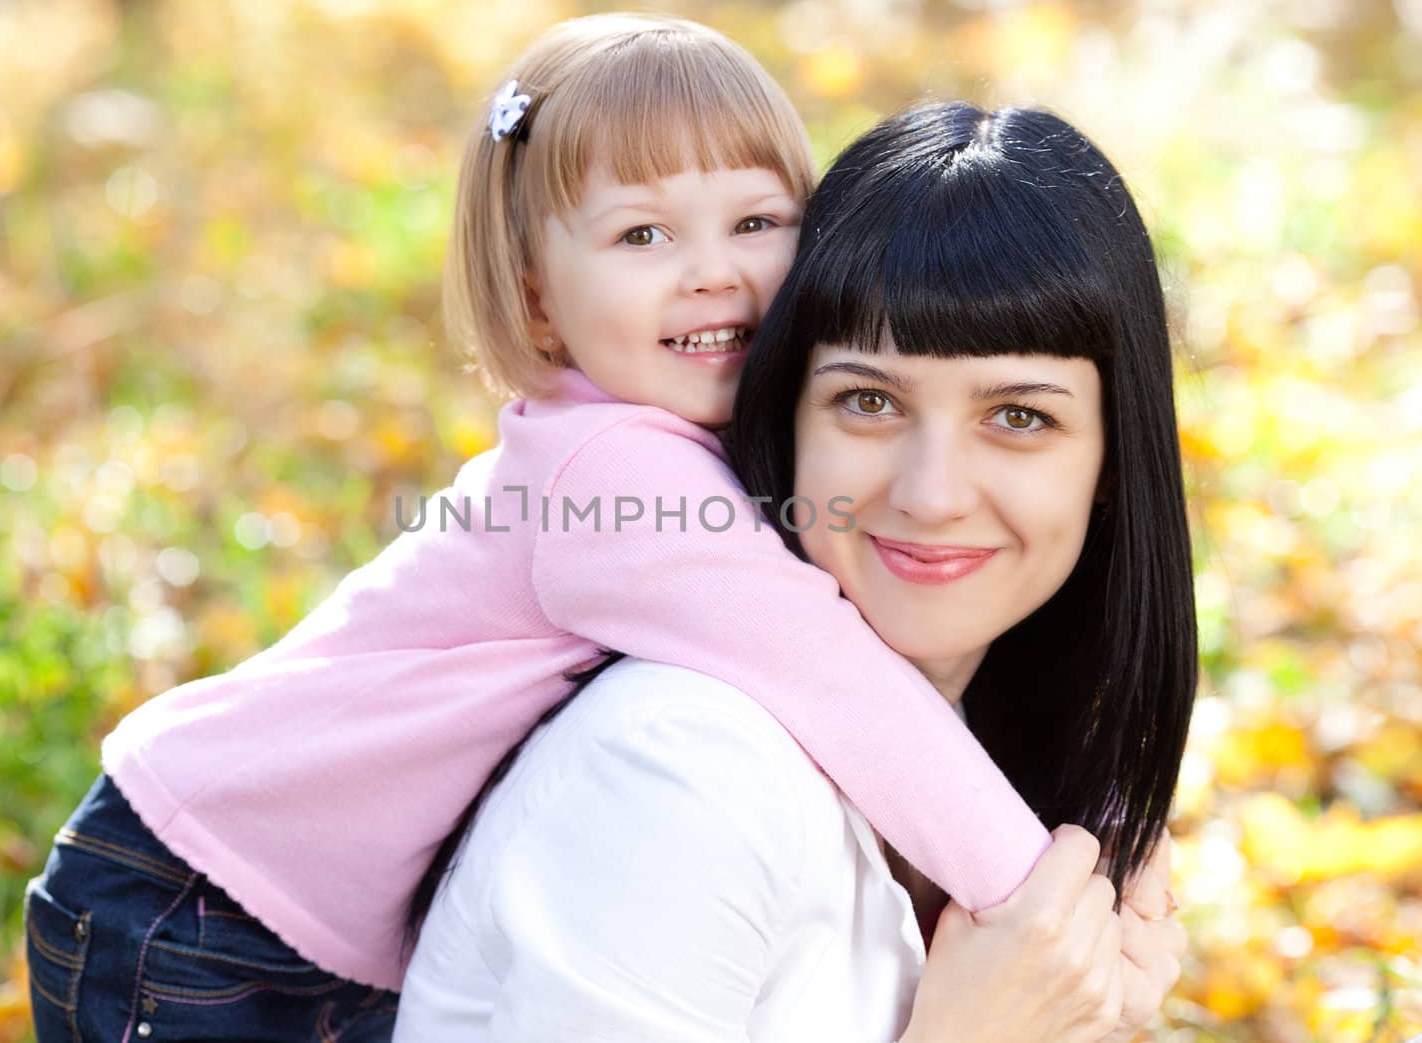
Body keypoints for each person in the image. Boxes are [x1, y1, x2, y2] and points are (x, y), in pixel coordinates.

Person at [23, 14, 1059, 1042]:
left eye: (754, 221)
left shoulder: (675, 446)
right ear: (538, 299)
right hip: (192, 896)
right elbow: (833, 674)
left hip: (274, 904)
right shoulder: (615, 472)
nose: (711, 269)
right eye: (642, 234)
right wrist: (1041, 895)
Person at [395, 101, 1197, 1041]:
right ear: (784, 420)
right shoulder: (685, 768)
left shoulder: (994, 763)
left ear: (1112, 463)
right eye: (867, 400)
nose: (933, 493)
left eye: (1019, 416)